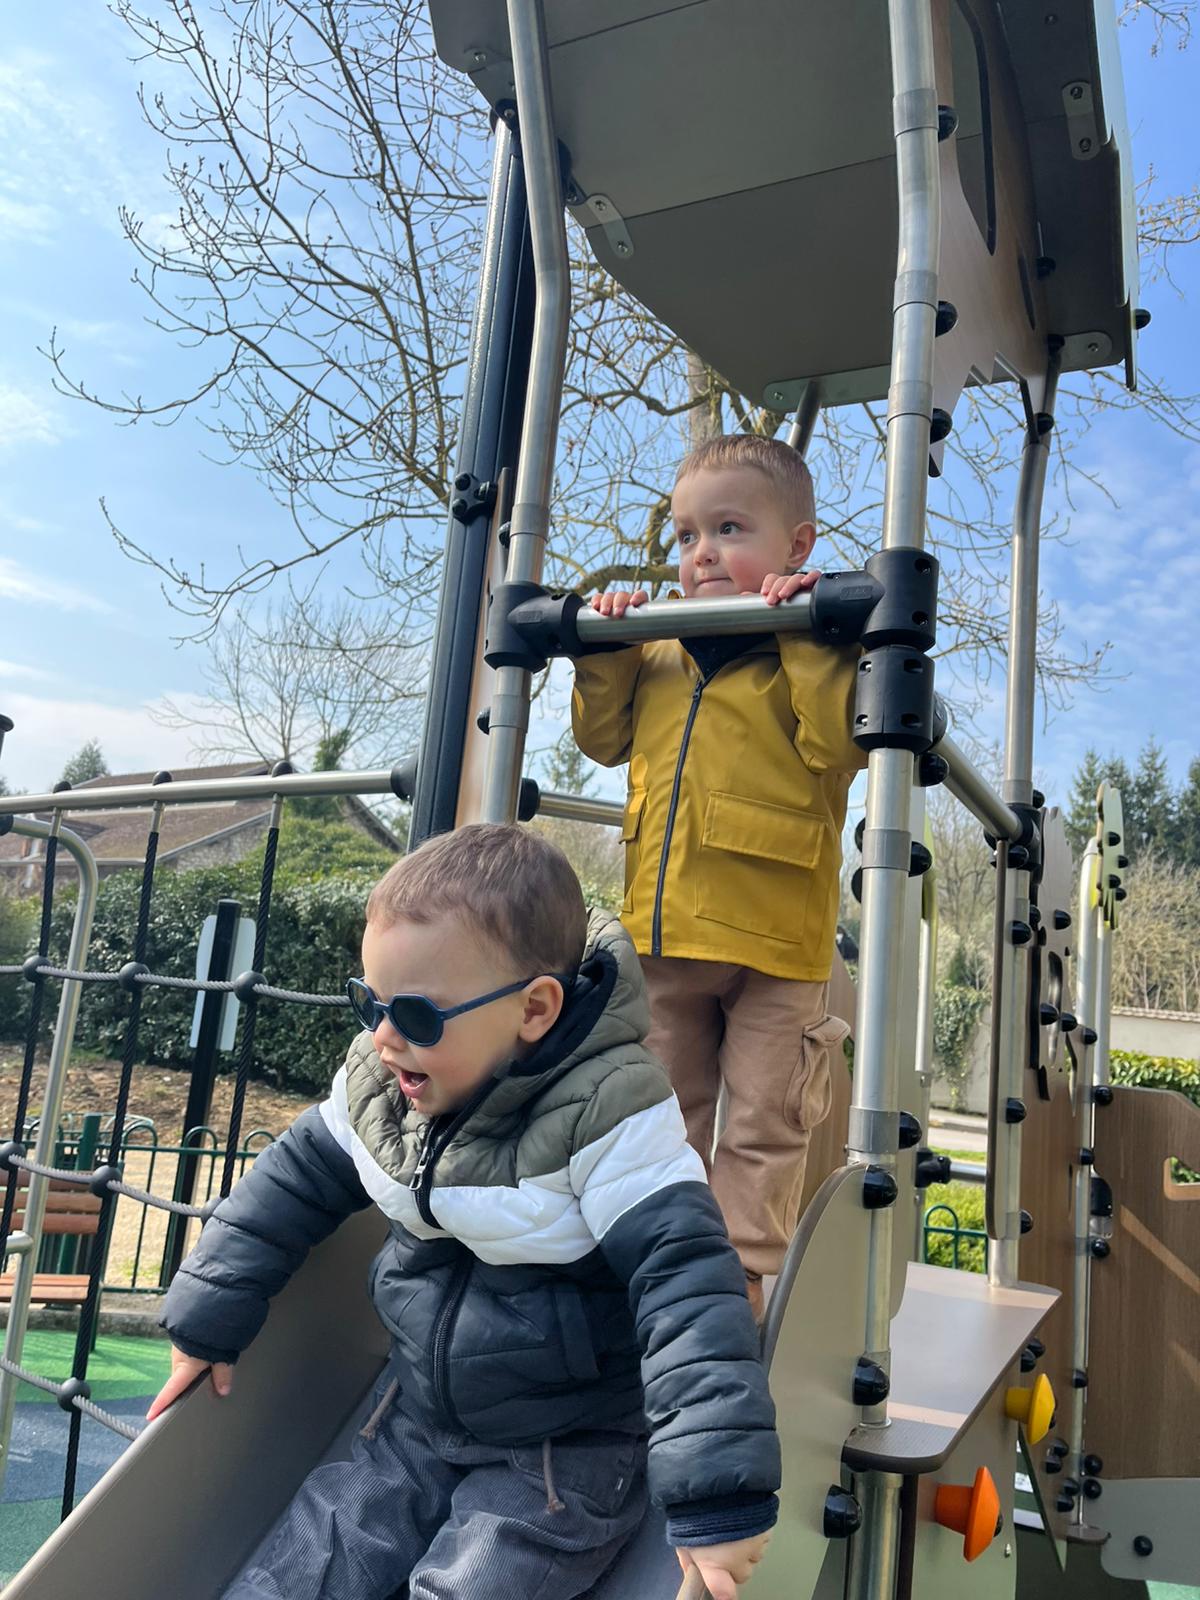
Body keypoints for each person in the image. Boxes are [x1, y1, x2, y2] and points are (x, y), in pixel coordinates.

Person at [149, 824, 780, 1600]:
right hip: (415, 1418)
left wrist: (718, 1497)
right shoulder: (384, 1085)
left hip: (564, 1449)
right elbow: (290, 1183)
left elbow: (683, 1280)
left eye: (416, 1014)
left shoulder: (608, 1111)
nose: (384, 1037)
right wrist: (208, 1317)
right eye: (370, 1003)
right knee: (304, 1567)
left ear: (534, 1009)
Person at [572, 434, 863, 1320]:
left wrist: (807, 631)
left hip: (779, 944)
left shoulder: (813, 644)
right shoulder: (659, 647)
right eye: (686, 534)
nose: (701, 553)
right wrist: (607, 647)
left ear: (796, 547)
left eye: (729, 529)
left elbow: (837, 745)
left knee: (767, 1121)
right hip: (666, 934)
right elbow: (602, 738)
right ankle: (657, 1260)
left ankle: (740, 1279)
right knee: (661, 1110)